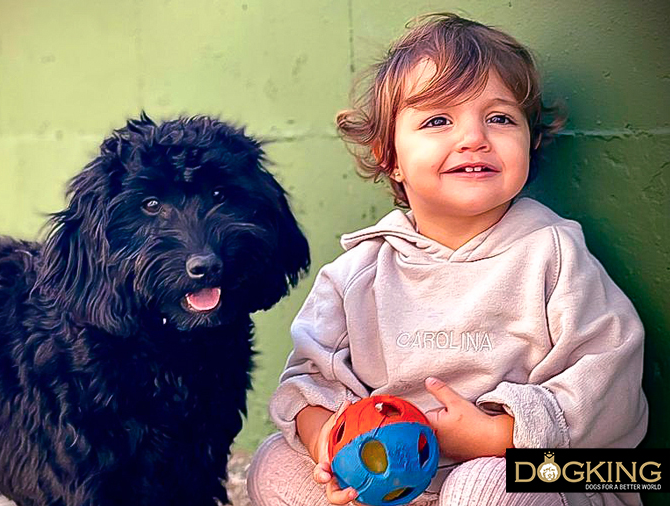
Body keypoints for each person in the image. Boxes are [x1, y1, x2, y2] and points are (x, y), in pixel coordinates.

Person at [247, 13, 648, 506]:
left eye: (499, 118)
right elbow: (307, 383)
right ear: (389, 154)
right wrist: (327, 440)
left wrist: (494, 437)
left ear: (530, 139)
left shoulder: (552, 250)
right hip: (401, 481)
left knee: (487, 487)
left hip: (543, 472)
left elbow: (609, 377)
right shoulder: (360, 269)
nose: (473, 137)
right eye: (438, 120)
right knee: (274, 465)